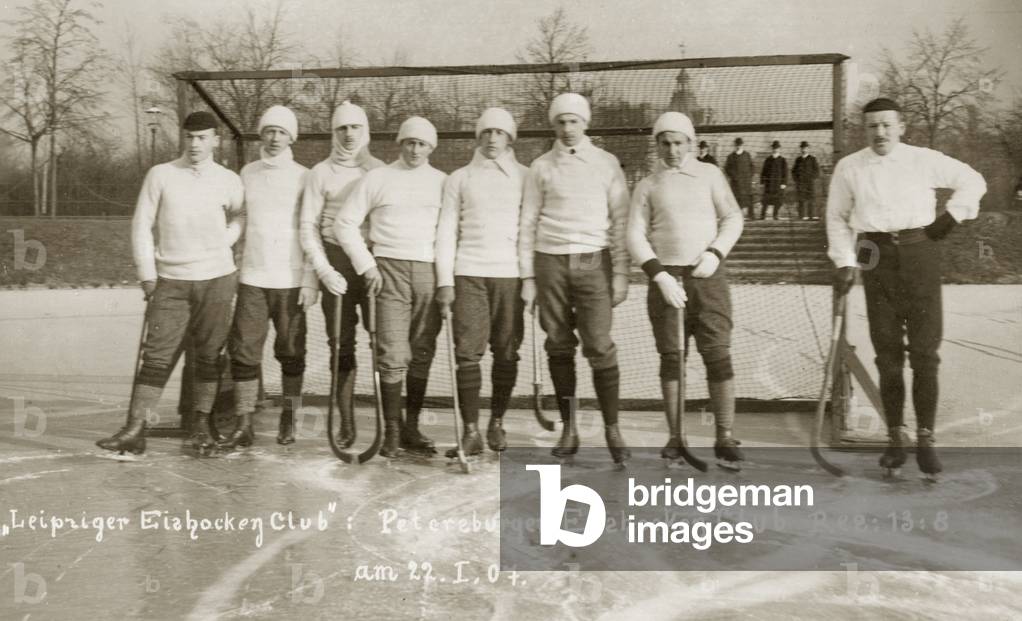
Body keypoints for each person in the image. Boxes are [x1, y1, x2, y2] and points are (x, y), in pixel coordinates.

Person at [827, 97, 986, 478]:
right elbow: (836, 217)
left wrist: (950, 219)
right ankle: (896, 438)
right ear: (863, 130)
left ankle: (926, 439)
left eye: (886, 125)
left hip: (920, 254)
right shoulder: (850, 167)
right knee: (887, 353)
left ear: (901, 126)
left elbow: (973, 181)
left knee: (925, 352)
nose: (879, 132)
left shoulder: (922, 159)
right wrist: (845, 262)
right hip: (874, 254)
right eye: (872, 126)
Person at [96, 111, 244, 456]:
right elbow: (141, 225)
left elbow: (241, 214)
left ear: (215, 140)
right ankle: (135, 428)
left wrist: (226, 240)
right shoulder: (161, 174)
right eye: (190, 137)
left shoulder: (228, 179)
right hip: (171, 281)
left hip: (217, 279)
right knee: (157, 356)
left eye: (203, 137)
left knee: (209, 357)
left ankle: (203, 425)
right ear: (183, 138)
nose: (195, 144)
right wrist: (147, 275)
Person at [627, 112, 746, 469]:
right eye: (665, 142)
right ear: (657, 145)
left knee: (717, 353)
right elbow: (634, 233)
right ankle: (676, 436)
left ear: (691, 144)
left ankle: (724, 435)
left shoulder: (710, 175)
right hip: (667, 280)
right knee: (672, 358)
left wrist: (715, 252)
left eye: (679, 142)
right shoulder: (647, 185)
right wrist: (658, 274)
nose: (672, 149)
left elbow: (733, 218)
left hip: (707, 277)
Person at [518, 92, 631, 464]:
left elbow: (619, 222)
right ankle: (569, 427)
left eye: (574, 121)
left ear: (586, 123)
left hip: (589, 257)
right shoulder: (540, 167)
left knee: (598, 342)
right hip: (550, 259)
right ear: (553, 125)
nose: (567, 129)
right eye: (560, 122)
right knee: (558, 342)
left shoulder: (606, 163)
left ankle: (612, 428)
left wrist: (620, 275)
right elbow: (528, 223)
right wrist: (528, 278)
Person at [336, 116, 447, 458]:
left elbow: (450, 233)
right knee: (391, 353)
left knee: (422, 352)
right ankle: (392, 432)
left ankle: (412, 426)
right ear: (400, 144)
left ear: (432, 147)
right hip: (388, 271)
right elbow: (345, 223)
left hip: (429, 271)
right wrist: (366, 265)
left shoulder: (444, 182)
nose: (415, 150)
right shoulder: (378, 178)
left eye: (423, 144)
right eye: (409, 142)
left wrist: (445, 280)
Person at [220, 106, 316, 450]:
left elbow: (311, 230)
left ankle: (290, 416)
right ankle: (244, 423)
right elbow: (241, 218)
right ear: (260, 134)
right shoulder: (247, 172)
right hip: (253, 278)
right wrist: (223, 241)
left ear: (293, 137)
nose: (274, 138)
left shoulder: (306, 176)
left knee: (291, 351)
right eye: (269, 131)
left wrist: (309, 279)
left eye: (282, 132)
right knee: (244, 351)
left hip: (290, 280)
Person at [435, 108, 528, 456]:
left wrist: (529, 278)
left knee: (506, 351)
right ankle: (471, 431)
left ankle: (497, 423)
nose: (492, 139)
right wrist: (445, 281)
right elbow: (446, 231)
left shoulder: (525, 176)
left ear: (510, 139)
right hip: (468, 273)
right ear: (477, 136)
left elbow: (529, 230)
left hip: (510, 277)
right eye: (486, 132)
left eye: (499, 133)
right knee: (467, 352)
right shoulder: (459, 178)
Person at [300, 102, 385, 447]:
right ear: (333, 132)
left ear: (365, 131)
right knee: (341, 343)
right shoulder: (320, 172)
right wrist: (321, 270)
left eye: (355, 128)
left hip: (371, 262)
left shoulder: (379, 169)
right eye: (342, 128)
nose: (349, 135)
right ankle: (346, 423)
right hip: (335, 262)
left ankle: (389, 423)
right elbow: (307, 226)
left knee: (382, 340)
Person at [724, 138, 754, 219]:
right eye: (737, 145)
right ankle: (735, 216)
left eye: (740, 145)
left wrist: (749, 176)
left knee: (748, 198)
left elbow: (752, 167)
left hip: (746, 183)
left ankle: (751, 216)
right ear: (735, 145)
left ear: (742, 145)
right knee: (735, 199)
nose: (738, 146)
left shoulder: (747, 155)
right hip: (735, 183)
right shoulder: (731, 157)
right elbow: (727, 168)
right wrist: (734, 176)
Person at [792, 140, 821, 220]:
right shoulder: (798, 160)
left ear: (808, 149)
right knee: (801, 200)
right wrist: (796, 179)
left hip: (809, 183)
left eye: (805, 148)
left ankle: (811, 216)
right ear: (800, 149)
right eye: (802, 148)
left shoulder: (812, 159)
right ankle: (801, 216)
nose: (804, 149)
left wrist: (812, 178)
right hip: (800, 183)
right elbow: (793, 171)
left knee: (810, 199)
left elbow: (817, 171)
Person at [760, 140, 788, 220]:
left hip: (778, 184)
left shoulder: (783, 160)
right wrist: (762, 182)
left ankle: (775, 215)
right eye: (774, 148)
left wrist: (784, 183)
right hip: (769, 184)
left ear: (779, 149)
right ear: (772, 149)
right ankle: (762, 215)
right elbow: (763, 171)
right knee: (765, 200)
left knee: (778, 200)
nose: (775, 149)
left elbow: (785, 173)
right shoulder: (768, 159)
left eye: (777, 148)